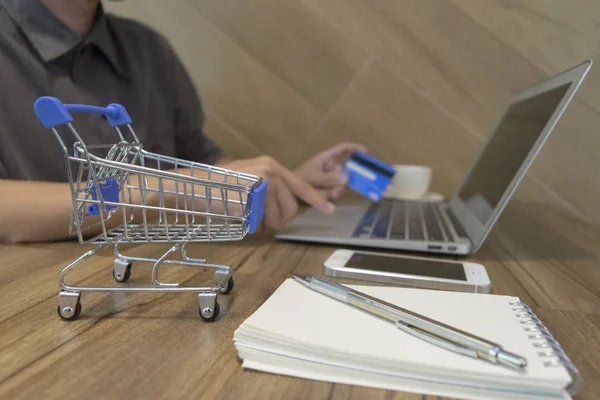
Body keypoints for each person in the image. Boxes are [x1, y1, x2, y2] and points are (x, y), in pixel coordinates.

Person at [0, 0, 366, 244]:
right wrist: (169, 188)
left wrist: (285, 184)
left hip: (159, 289)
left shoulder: (148, 48)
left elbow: (202, 167)